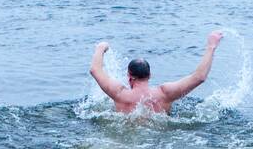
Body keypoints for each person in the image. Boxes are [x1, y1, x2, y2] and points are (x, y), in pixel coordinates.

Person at [89, 31, 224, 114]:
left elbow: (95, 70)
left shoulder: (119, 94)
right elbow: (199, 77)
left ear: (129, 76)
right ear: (150, 75)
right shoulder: (165, 94)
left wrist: (100, 48)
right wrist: (211, 46)